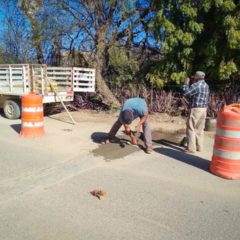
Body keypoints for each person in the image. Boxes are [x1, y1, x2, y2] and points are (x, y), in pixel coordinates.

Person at [183, 71, 209, 153]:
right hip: (204, 109)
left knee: (191, 128)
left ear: (196, 77)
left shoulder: (196, 85)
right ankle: (199, 147)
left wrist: (186, 84)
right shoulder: (206, 85)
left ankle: (191, 149)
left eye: (194, 77)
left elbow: (186, 93)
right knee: (200, 129)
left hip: (196, 109)